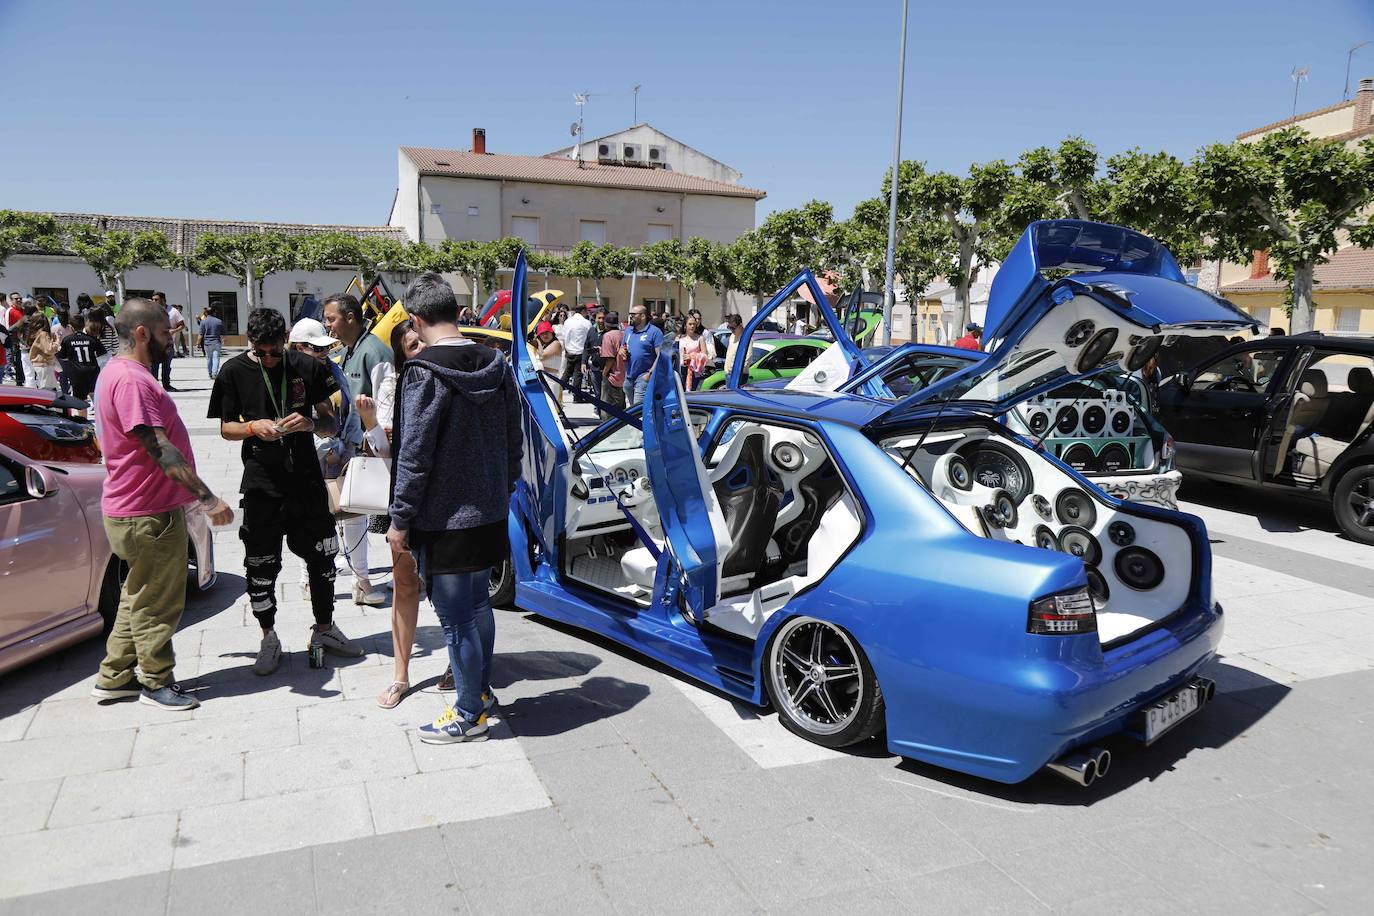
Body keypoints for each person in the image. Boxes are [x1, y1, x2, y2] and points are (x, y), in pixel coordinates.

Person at [388, 271, 522, 743]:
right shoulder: (497, 363)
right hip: (489, 509)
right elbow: (513, 437)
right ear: (458, 312)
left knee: (456, 618)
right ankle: (480, 695)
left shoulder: (422, 371)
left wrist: (400, 518)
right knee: (479, 605)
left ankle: (468, 713)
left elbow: (414, 452)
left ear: (416, 319)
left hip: (445, 518)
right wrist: (503, 489)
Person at [89, 298, 234, 710]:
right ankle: (156, 681)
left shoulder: (114, 374)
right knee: (159, 602)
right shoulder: (133, 380)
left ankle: (114, 676)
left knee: (138, 594)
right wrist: (207, 498)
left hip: (133, 507)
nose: (172, 340)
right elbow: (158, 447)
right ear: (141, 333)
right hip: (147, 511)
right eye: (166, 333)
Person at [208, 307, 363, 675]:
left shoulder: (307, 366)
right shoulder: (233, 371)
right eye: (259, 352)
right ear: (250, 343)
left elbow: (330, 423)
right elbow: (226, 428)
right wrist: (252, 428)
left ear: (287, 341)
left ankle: (324, 630)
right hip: (262, 483)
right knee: (260, 566)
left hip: (306, 481)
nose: (268, 358)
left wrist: (310, 422)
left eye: (275, 351)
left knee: (323, 560)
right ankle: (268, 637)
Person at [357, 319, 453, 708]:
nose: (421, 349)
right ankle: (400, 675)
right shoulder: (395, 389)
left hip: (449, 499)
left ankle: (456, 663)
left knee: (451, 590)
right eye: (412, 347)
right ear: (401, 356)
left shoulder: (448, 379)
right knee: (406, 584)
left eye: (422, 341)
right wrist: (370, 424)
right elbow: (382, 450)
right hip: (408, 499)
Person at [288, 318, 382, 607]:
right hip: (310, 455)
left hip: (343, 451)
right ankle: (308, 579)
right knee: (313, 517)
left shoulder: (332, 369)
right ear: (298, 347)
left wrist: (352, 444)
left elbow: (348, 412)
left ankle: (361, 581)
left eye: (325, 347)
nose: (323, 352)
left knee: (356, 512)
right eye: (316, 349)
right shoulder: (291, 376)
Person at [322, 293, 390, 399]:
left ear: (350, 318)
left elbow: (386, 407)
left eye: (331, 319)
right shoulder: (346, 353)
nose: (326, 324)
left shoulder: (375, 354)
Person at [58, 318, 107, 416]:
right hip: (92, 371)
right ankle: (101, 420)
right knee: (96, 396)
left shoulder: (67, 340)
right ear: (84, 325)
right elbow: (102, 353)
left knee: (80, 400)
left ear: (71, 327)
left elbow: (62, 357)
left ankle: (84, 424)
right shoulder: (92, 339)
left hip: (76, 373)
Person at [621, 304, 665, 408]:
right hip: (629, 377)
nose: (630, 317)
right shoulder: (628, 331)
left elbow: (661, 355)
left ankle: (640, 424)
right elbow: (622, 346)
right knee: (633, 409)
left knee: (638, 408)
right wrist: (621, 350)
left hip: (644, 376)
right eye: (630, 314)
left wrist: (649, 374)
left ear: (643, 316)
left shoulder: (654, 332)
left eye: (633, 314)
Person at [597, 311, 626, 419]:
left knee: (607, 410)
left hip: (612, 376)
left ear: (606, 324)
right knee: (621, 407)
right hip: (624, 375)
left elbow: (610, 359)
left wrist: (604, 374)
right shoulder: (624, 334)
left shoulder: (607, 336)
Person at [559, 301, 592, 395]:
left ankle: (558, 389)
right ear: (583, 311)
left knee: (567, 373)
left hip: (569, 351)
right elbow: (589, 337)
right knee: (578, 375)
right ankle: (577, 396)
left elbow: (564, 335)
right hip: (581, 351)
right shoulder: (586, 323)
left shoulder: (568, 321)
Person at [151, 293, 180, 390]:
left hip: (168, 344)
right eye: (153, 299)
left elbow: (182, 325)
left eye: (156, 299)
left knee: (166, 366)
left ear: (163, 300)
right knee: (154, 366)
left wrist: (174, 330)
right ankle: (153, 386)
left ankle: (166, 385)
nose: (154, 301)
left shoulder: (173, 311)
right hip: (155, 344)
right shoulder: (151, 311)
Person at [678, 314, 710, 390]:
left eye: (694, 324)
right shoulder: (679, 338)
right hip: (680, 370)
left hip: (694, 372)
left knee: (691, 394)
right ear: (685, 325)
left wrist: (692, 357)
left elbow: (705, 357)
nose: (692, 326)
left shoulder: (700, 338)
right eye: (690, 324)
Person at [26, 315, 59, 390]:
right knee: (48, 389)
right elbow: (49, 350)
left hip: (40, 364)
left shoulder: (36, 333)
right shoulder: (43, 334)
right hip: (44, 364)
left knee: (50, 388)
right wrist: (56, 342)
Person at [534, 320, 564, 392]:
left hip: (551, 381)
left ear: (552, 332)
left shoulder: (556, 343)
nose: (545, 335)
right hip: (545, 380)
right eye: (542, 333)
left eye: (547, 332)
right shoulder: (544, 345)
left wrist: (537, 341)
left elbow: (542, 357)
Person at [197, 304, 225, 379]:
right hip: (216, 342)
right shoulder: (219, 321)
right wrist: (222, 340)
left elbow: (201, 334)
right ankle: (214, 373)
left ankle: (210, 373)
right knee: (216, 358)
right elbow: (222, 333)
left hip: (207, 343)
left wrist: (198, 343)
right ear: (214, 313)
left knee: (209, 359)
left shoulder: (203, 322)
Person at [6, 292, 27, 385]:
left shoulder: (23, 310)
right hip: (15, 341)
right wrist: (15, 342)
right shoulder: (10, 311)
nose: (19, 300)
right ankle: (19, 382)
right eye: (16, 299)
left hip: (24, 340)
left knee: (24, 362)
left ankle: (24, 380)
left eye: (20, 298)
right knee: (18, 362)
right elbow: (8, 328)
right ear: (11, 301)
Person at [722, 314, 745, 378]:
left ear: (740, 326)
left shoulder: (746, 339)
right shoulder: (732, 336)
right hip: (728, 374)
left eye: (733, 328)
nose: (731, 330)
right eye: (729, 327)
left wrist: (737, 371)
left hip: (739, 375)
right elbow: (729, 354)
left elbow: (746, 359)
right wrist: (726, 369)